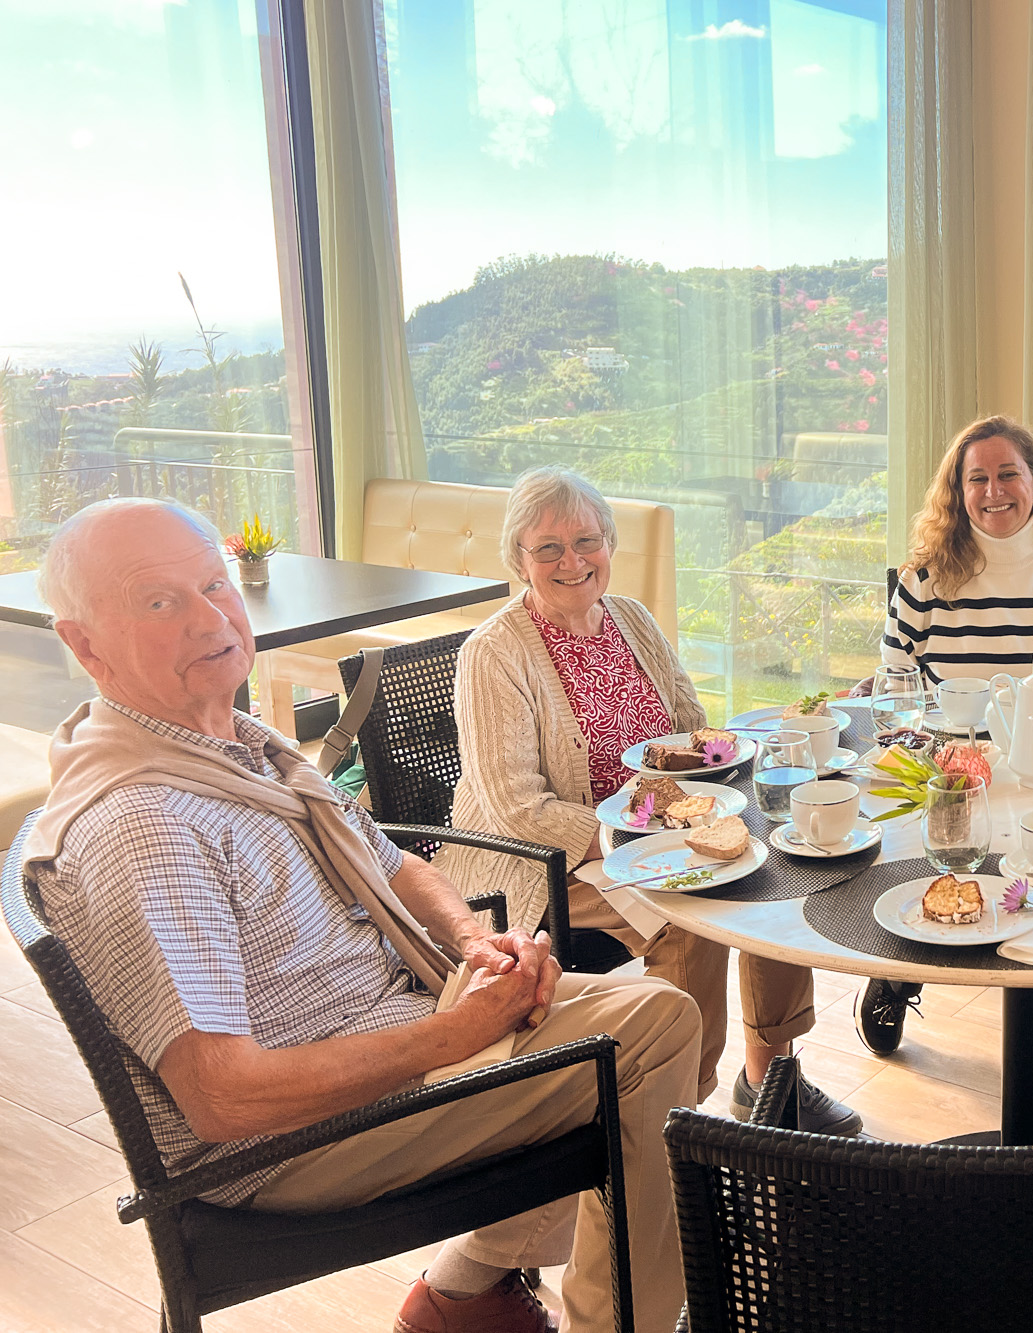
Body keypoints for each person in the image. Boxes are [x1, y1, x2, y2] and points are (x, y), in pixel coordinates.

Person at [25, 497, 705, 1333]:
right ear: (85, 644)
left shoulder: (236, 746)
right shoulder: (148, 824)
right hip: (297, 1141)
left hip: (403, 1022)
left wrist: (475, 940)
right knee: (649, 1040)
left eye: (214, 583)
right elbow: (223, 1099)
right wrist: (451, 1036)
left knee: (656, 1013)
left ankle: (468, 1294)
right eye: (159, 601)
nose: (209, 618)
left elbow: (396, 864)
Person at [440, 466, 861, 1134]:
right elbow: (519, 807)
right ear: (518, 559)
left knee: (775, 864)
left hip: (659, 831)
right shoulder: (493, 654)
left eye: (587, 540)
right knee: (689, 913)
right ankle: (681, 1113)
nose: (572, 560)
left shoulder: (630, 618)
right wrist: (638, 840)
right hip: (552, 858)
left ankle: (770, 1080)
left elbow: (693, 728)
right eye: (548, 547)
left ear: (609, 543)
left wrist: (711, 803)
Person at [857, 415, 1033, 1052]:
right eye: (977, 479)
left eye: (1008, 474)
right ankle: (896, 970)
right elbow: (896, 686)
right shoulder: (924, 579)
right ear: (958, 491)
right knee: (927, 849)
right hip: (955, 760)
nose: (994, 491)